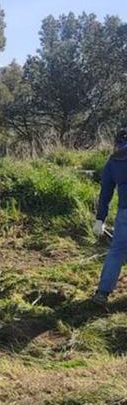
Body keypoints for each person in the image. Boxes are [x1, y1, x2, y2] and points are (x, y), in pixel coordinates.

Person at [91, 128, 127, 305]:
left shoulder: (114, 160)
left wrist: (100, 219)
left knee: (117, 251)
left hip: (125, 211)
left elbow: (105, 192)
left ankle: (102, 293)